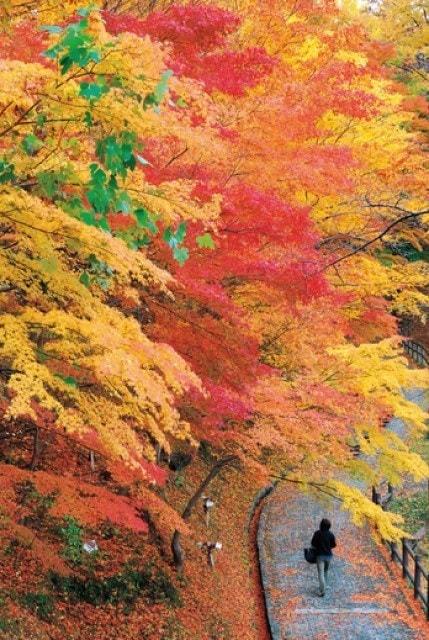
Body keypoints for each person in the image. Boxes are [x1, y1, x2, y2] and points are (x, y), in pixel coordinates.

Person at [311, 518, 336, 597]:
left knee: (320, 573)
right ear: (329, 526)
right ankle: (325, 585)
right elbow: (334, 545)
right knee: (325, 571)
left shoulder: (317, 533)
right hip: (328, 556)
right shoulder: (331, 534)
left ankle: (322, 591)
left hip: (320, 556)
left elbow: (313, 544)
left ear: (321, 525)